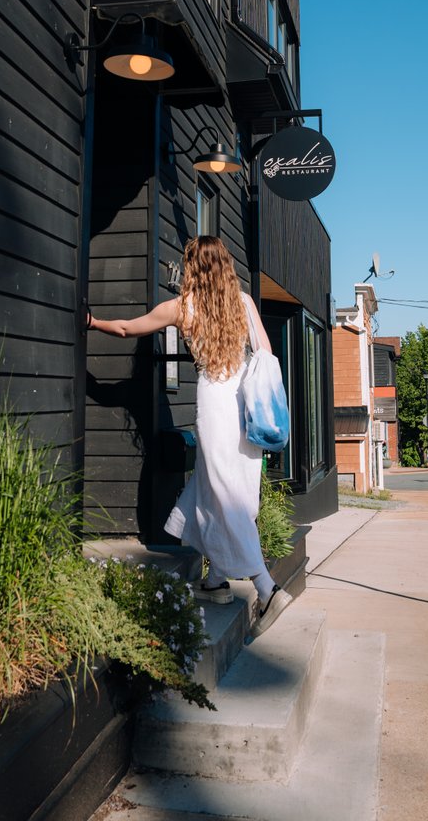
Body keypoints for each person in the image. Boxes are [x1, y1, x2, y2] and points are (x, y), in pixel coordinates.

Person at [88, 235, 292, 637]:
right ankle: (215, 579)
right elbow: (266, 357)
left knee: (224, 493)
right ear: (225, 265)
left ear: (193, 266)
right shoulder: (246, 304)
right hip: (245, 409)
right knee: (218, 489)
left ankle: (265, 587)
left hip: (215, 406)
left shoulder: (183, 307)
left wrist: (92, 322)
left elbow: (129, 329)